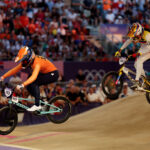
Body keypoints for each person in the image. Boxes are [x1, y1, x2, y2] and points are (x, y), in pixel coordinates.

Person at [0, 46, 59, 111]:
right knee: (29, 85)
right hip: (45, 72)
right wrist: (3, 77)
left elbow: (34, 77)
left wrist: (22, 85)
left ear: (29, 58)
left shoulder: (37, 62)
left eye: (24, 61)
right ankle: (41, 101)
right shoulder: (30, 60)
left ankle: (37, 105)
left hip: (53, 74)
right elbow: (14, 70)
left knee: (34, 82)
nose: (23, 63)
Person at [115, 22, 150, 89]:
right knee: (136, 64)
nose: (134, 39)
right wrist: (120, 49)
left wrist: (139, 53)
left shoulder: (147, 35)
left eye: (136, 37)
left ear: (139, 33)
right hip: (146, 46)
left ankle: (137, 81)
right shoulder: (136, 34)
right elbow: (128, 41)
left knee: (139, 61)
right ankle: (145, 80)